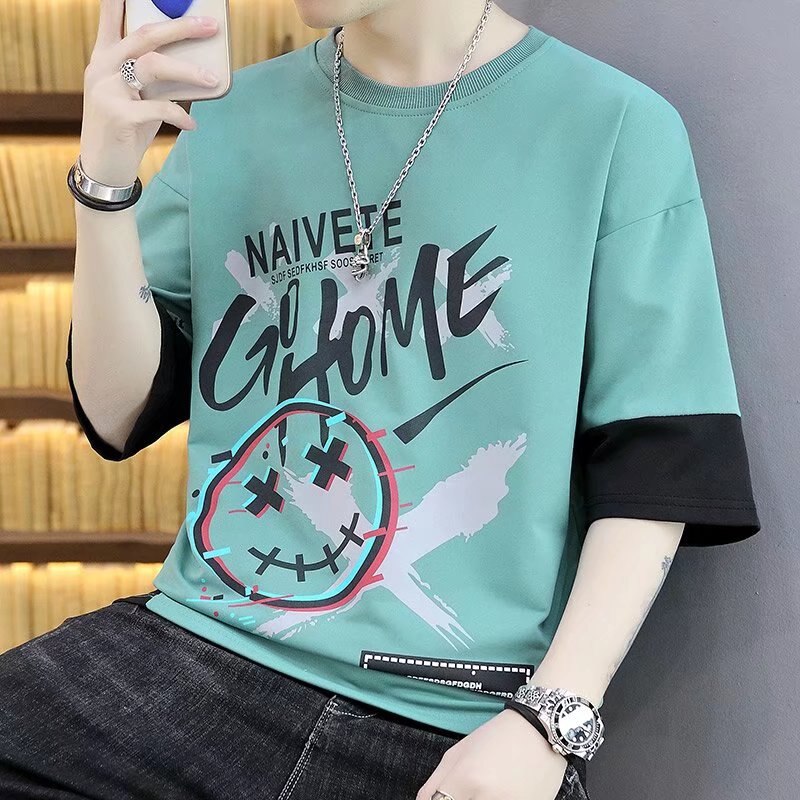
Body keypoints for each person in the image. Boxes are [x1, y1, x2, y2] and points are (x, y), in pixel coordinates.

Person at [0, 0, 761, 798]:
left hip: (453, 709)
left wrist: (551, 720)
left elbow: (658, 461)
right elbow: (116, 412)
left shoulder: (611, 125)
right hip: (204, 651)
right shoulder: (227, 120)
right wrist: (105, 184)